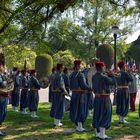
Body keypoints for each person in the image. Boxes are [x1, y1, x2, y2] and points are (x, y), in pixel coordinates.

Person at [92, 61, 116, 139]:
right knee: (105, 115)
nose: (105, 67)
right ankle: (102, 135)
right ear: (101, 67)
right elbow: (113, 82)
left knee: (97, 115)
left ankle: (98, 133)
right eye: (104, 66)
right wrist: (112, 75)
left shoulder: (94, 76)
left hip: (97, 98)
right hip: (104, 99)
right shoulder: (103, 76)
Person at [70, 60, 92, 132]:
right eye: (81, 65)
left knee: (75, 109)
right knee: (81, 110)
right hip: (81, 95)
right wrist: (91, 88)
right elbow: (83, 85)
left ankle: (78, 126)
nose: (82, 66)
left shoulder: (72, 74)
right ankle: (80, 127)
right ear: (78, 66)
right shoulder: (81, 74)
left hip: (74, 94)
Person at [0, 64, 9, 136]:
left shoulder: (2, 75)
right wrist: (4, 92)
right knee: (0, 113)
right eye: (2, 66)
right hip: (1, 97)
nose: (3, 68)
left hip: (4, 97)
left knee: (4, 113)